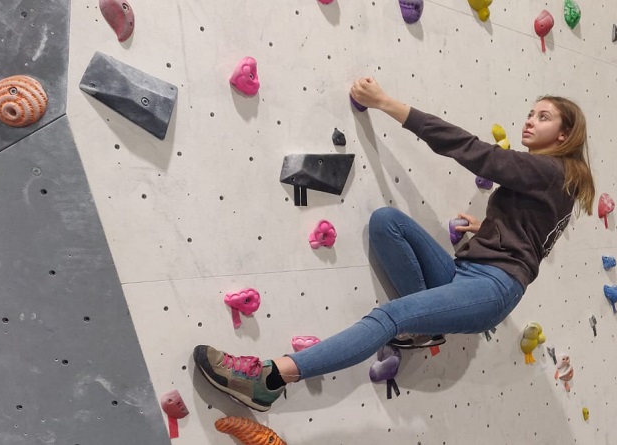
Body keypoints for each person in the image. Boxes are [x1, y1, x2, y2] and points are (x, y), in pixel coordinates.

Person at [192, 77, 596, 412]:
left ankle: (270, 378)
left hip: (491, 287)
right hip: (468, 272)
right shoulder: (557, 179)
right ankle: (423, 330)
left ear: (564, 134)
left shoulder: (546, 168)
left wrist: (386, 103)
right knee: (387, 222)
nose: (529, 121)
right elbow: (534, 237)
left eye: (543, 117)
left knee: (389, 317)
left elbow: (471, 150)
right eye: (530, 113)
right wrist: (490, 229)